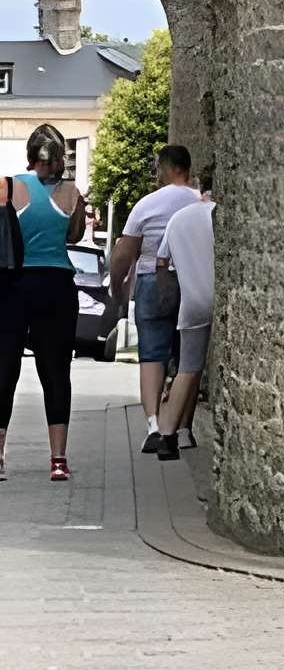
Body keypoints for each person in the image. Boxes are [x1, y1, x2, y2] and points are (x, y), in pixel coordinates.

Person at [0, 121, 88, 483]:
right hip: (57, 286)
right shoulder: (71, 192)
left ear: (31, 156)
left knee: (4, 370)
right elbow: (76, 233)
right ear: (58, 159)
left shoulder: (9, 186)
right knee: (55, 372)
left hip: (14, 285)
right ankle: (58, 459)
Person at [108, 143, 200, 454]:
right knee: (189, 354)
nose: (156, 174)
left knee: (152, 354)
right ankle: (183, 428)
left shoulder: (146, 205)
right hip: (191, 280)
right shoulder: (200, 201)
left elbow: (124, 253)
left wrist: (117, 285)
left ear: (168, 167)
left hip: (151, 282)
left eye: (158, 167)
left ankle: (153, 425)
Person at [152, 187, 214, 459]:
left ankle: (168, 435)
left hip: (191, 301)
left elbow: (162, 261)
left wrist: (166, 297)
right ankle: (186, 431)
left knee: (188, 368)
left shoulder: (177, 219)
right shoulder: (216, 214)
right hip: (218, 293)